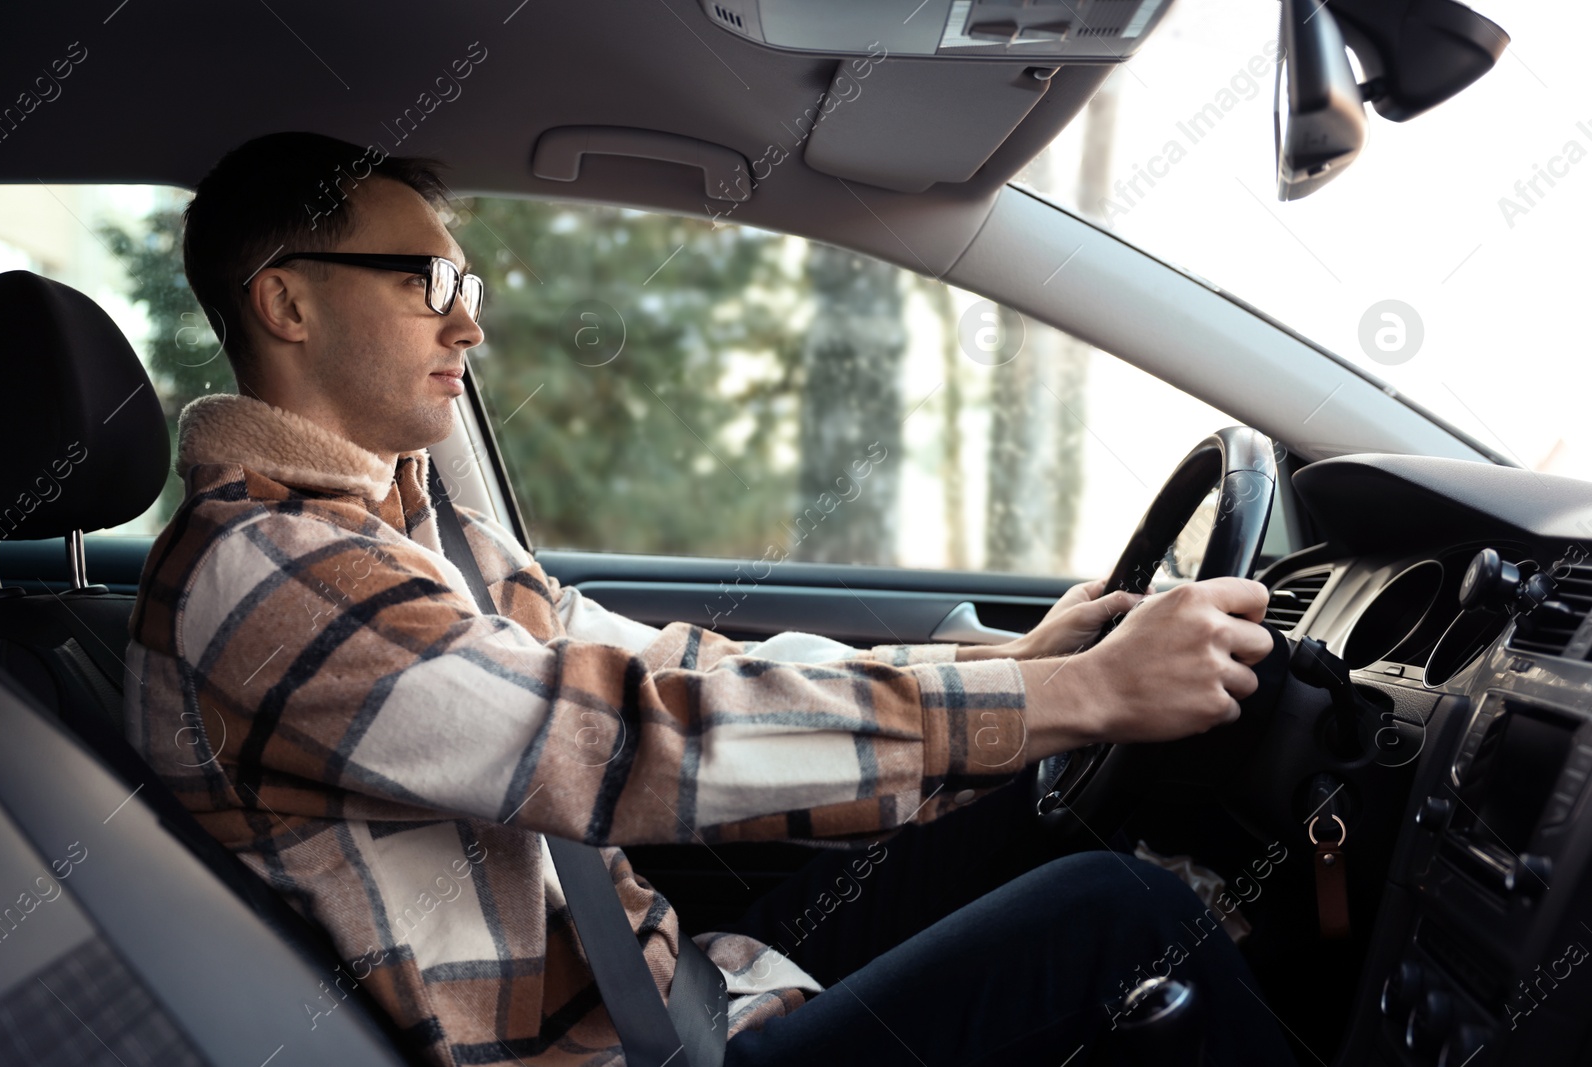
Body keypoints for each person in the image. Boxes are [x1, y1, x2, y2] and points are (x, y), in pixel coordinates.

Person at [123, 131, 1296, 1067]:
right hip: (617, 1047)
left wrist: (1020, 670)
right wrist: (1082, 693)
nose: (468, 321)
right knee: (1126, 914)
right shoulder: (267, 570)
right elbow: (620, 742)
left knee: (1022, 812)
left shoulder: (397, 524)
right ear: (287, 303)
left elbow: (673, 665)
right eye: (427, 280)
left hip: (675, 991)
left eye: (464, 281)